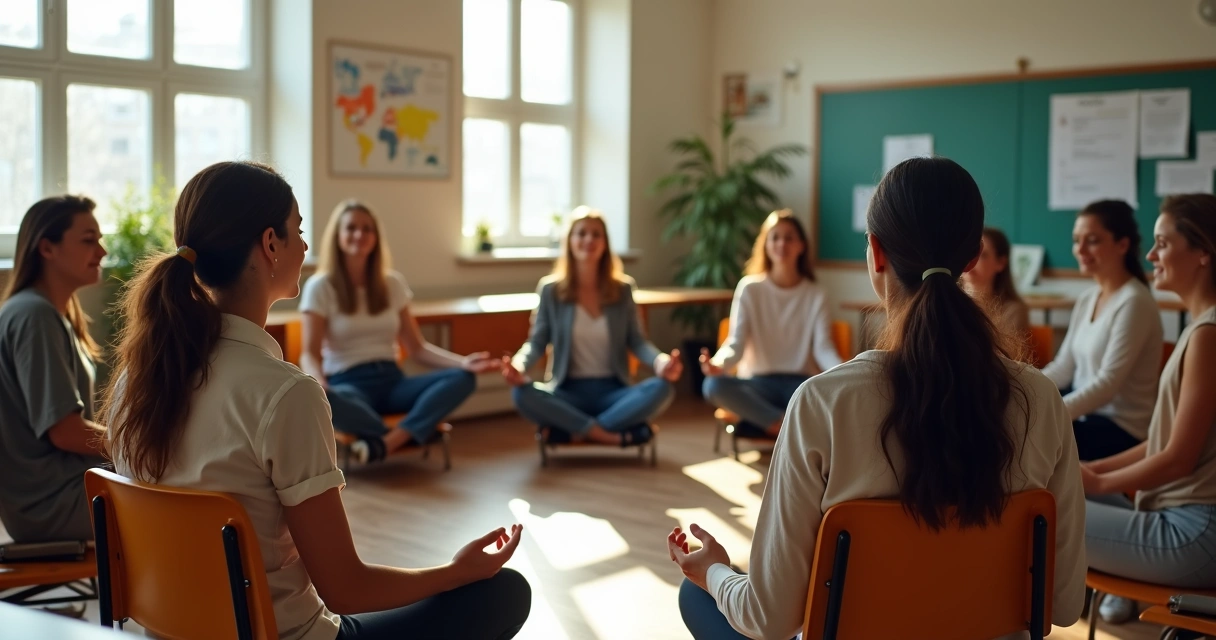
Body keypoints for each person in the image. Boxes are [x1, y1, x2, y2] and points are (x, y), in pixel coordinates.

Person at [103, 161, 530, 640]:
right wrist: (457, 570)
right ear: (270, 245)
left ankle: (386, 441)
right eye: (297, 231)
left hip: (162, 632)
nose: (304, 246)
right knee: (504, 592)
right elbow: (346, 590)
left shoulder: (133, 383)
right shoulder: (285, 394)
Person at [667, 157, 1086, 640]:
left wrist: (715, 572)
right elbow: (1064, 602)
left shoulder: (821, 404)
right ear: (972, 259)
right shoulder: (1042, 399)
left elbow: (769, 619)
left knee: (696, 594)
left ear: (876, 253)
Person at [1081, 194, 1216, 626]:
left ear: (1203, 253)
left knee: (1035, 516)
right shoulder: (1201, 329)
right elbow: (1161, 441)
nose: (1151, 255)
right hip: (1178, 520)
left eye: (1162, 243)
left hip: (1193, 534)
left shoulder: (1208, 336)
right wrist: (1094, 469)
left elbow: (1179, 457)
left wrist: (1099, 478)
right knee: (1053, 492)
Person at [300, 200, 499, 464]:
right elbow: (309, 354)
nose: (359, 235)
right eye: (351, 228)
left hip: (392, 381)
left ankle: (386, 442)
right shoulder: (320, 286)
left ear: (376, 238)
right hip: (348, 385)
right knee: (322, 399)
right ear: (338, 236)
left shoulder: (392, 283)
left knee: (464, 378)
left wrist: (464, 362)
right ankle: (410, 434)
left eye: (367, 229)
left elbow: (417, 348)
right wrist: (319, 383)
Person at [503, 207, 682, 446]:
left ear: (605, 243)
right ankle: (611, 435)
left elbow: (637, 342)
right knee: (522, 394)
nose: (589, 240)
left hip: (614, 392)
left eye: (596, 234)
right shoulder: (551, 290)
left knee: (662, 389)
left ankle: (572, 432)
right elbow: (536, 342)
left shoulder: (623, 289)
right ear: (570, 241)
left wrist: (661, 362)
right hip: (567, 391)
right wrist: (518, 364)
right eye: (582, 233)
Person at [0, 196, 108, 543]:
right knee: (187, 487)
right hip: (53, 505)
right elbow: (65, 432)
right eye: (88, 240)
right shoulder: (34, 316)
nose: (102, 251)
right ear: (47, 248)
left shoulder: (45, 313)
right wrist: (141, 444)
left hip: (59, 495)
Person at [700, 210, 842, 437]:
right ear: (765, 244)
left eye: (789, 237)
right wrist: (718, 364)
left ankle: (763, 424)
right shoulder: (749, 289)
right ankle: (785, 426)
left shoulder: (816, 294)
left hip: (799, 385)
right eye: (775, 237)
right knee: (712, 386)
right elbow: (735, 343)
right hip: (757, 385)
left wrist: (845, 372)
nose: (781, 243)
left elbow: (823, 349)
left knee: (829, 396)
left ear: (801, 246)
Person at [1041, 200, 1163, 462]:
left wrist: (1048, 412)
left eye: (1093, 240)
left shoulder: (1134, 301)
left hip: (1120, 428)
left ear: (1122, 244)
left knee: (1029, 435)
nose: (1080, 249)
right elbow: (1064, 366)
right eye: (1077, 240)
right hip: (1085, 415)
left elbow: (1107, 385)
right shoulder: (1088, 298)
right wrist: (1024, 390)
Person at [962, 227, 1031, 358]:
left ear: (1001, 263)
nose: (972, 261)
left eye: (982, 255)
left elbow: (1010, 360)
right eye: (968, 252)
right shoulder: (948, 301)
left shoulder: (1013, 310)